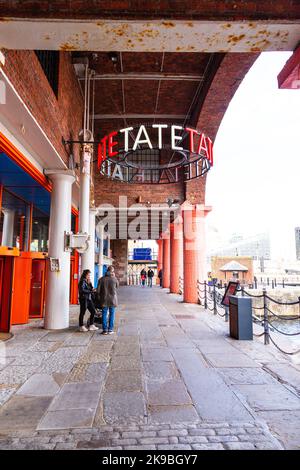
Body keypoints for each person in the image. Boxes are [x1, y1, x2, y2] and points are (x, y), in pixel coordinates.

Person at [97, 265, 119, 335]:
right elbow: (117, 286)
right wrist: (114, 276)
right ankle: (110, 329)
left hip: (104, 299)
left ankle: (104, 330)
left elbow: (98, 291)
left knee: (104, 314)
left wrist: (100, 297)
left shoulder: (101, 279)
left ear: (107, 271)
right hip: (112, 300)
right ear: (112, 271)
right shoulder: (114, 279)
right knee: (112, 314)